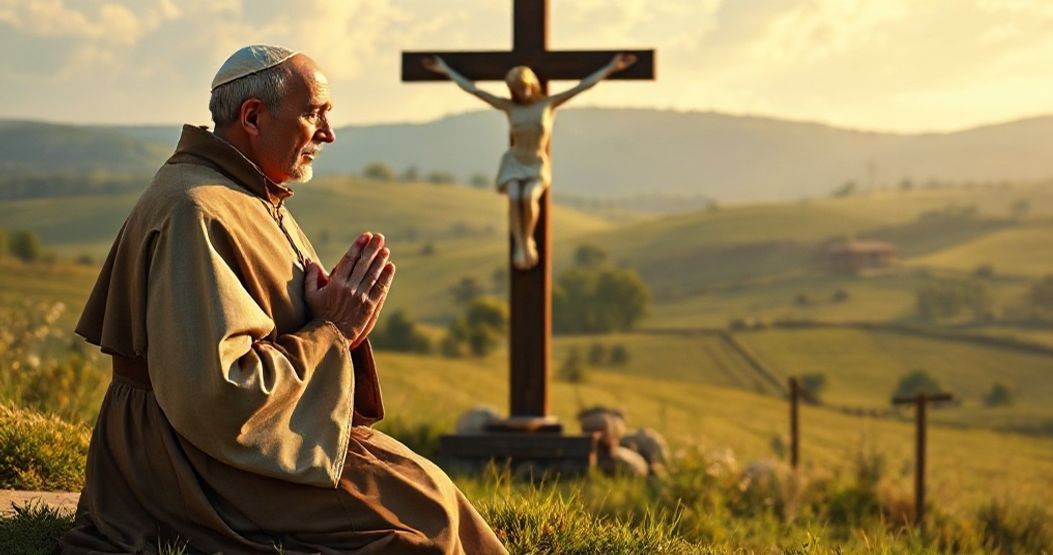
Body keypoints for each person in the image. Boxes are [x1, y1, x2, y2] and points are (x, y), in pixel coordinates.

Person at [59, 44, 507, 554]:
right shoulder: (196, 210)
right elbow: (219, 394)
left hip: (242, 440)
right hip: (187, 461)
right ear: (253, 116)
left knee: (434, 496)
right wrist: (331, 331)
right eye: (314, 114)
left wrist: (328, 318)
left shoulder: (244, 191)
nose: (328, 134)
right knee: (422, 536)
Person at [422, 53, 636, 270]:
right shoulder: (509, 107)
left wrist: (611, 67)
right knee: (514, 194)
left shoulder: (548, 104)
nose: (521, 92)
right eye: (516, 88)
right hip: (514, 161)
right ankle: (521, 245)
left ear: (531, 84)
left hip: (535, 163)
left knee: (528, 195)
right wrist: (445, 70)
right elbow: (474, 90)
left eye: (523, 87)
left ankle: (528, 240)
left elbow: (582, 86)